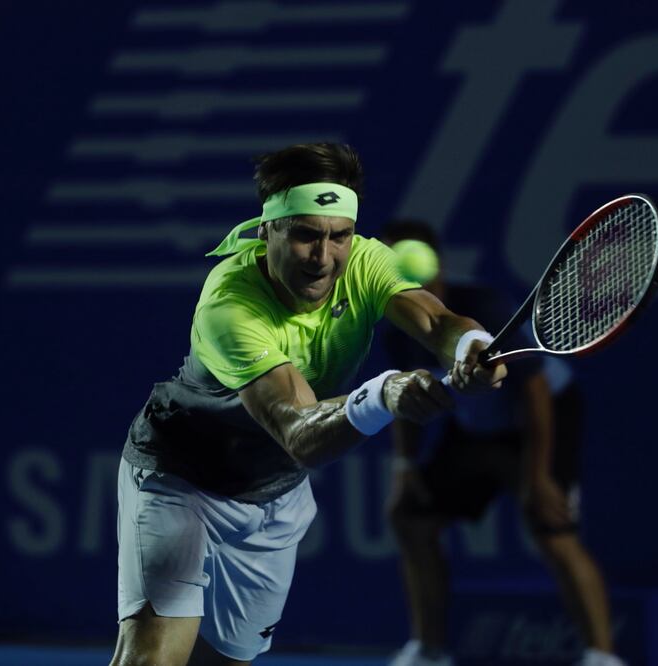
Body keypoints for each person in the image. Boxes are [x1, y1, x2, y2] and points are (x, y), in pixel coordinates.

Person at [109, 144, 507, 666]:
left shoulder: (367, 262)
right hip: (180, 479)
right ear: (267, 230)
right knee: (155, 654)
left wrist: (470, 347)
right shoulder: (230, 306)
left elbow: (436, 322)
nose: (324, 257)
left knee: (225, 660)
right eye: (304, 235)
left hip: (272, 495)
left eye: (339, 236)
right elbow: (298, 432)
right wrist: (381, 393)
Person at [380, 220, 625, 666]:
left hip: (540, 416)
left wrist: (538, 476)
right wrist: (406, 466)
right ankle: (430, 651)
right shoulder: (396, 325)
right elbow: (407, 395)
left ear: (436, 264)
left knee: (553, 531)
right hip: (474, 428)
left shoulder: (481, 306)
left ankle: (602, 657)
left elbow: (533, 391)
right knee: (410, 518)